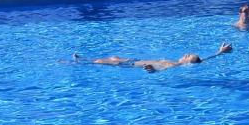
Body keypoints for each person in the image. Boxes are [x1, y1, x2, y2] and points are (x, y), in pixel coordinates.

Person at [75, 43, 232, 73]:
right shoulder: (180, 63)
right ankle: (83, 60)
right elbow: (204, 59)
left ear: (187, 62)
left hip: (132, 65)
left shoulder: (173, 65)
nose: (186, 54)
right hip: (133, 60)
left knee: (102, 61)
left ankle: (79, 61)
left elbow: (160, 70)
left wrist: (153, 70)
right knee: (114, 57)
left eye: (188, 56)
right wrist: (220, 52)